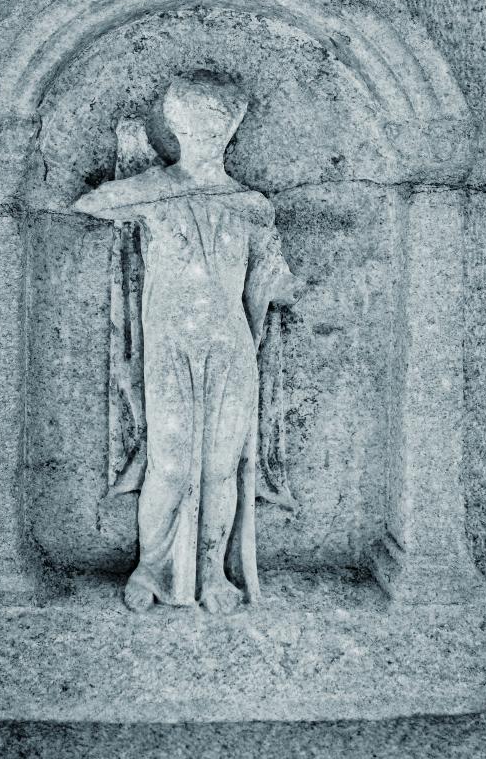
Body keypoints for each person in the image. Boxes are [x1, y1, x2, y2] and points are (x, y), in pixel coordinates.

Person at [72, 72, 299, 614]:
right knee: (170, 465)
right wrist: (143, 168)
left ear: (234, 126)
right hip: (171, 347)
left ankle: (213, 572)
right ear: (175, 126)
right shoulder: (155, 193)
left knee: (221, 469)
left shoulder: (251, 205)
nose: (207, 132)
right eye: (194, 122)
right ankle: (151, 566)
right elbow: (90, 204)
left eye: (217, 121)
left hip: (231, 347)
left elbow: (280, 281)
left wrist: (274, 282)